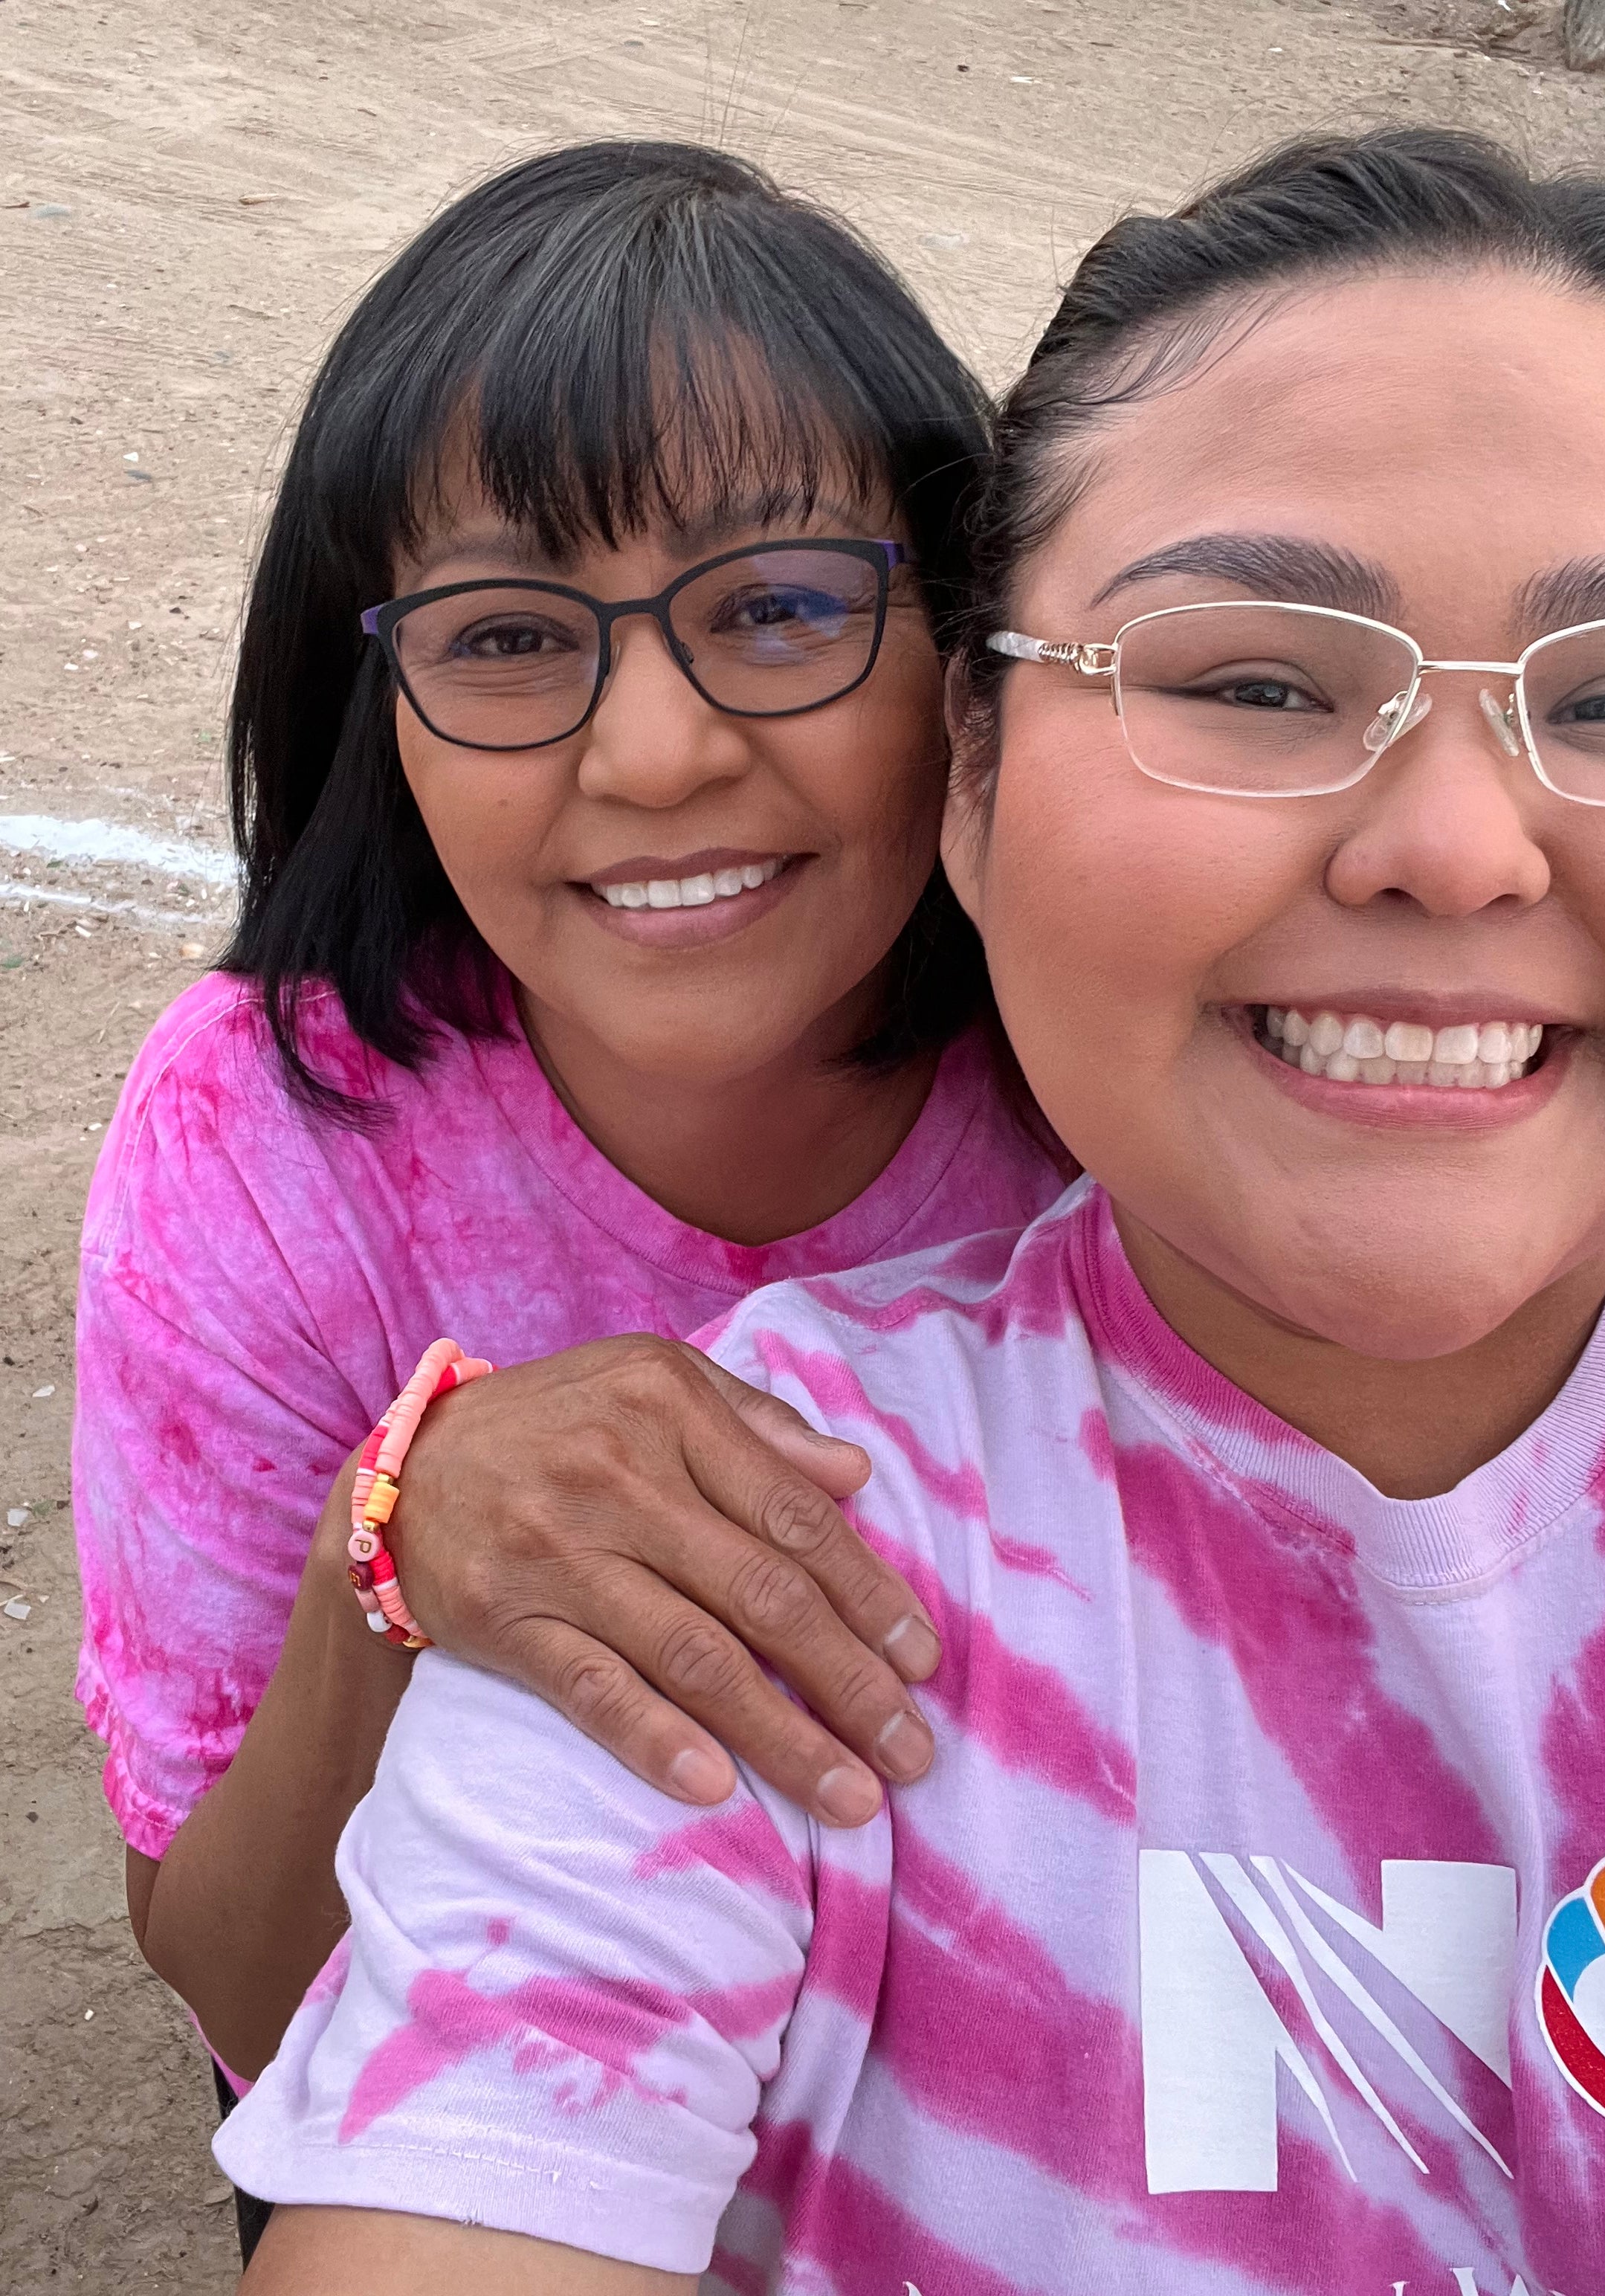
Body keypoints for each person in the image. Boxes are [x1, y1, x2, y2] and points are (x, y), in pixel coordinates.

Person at [221, 127, 1605, 2294]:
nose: (1459, 851)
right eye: (1254, 680)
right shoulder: (742, 1561)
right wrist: (414, 1517)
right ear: (977, 788)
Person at [71, 136, 1067, 2216]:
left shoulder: (1103, 1079)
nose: (650, 755)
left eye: (781, 606)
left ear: (967, 650)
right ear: (379, 707)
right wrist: (403, 1547)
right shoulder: (267, 1137)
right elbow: (241, 1972)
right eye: (513, 636)